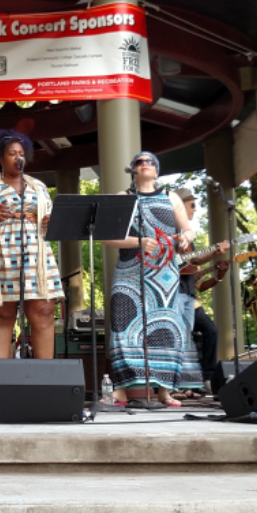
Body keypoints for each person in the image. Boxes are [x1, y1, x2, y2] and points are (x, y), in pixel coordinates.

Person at [103, 152, 198, 406]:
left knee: (164, 329)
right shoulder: (122, 198)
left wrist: (186, 237)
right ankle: (121, 389)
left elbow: (187, 229)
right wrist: (139, 242)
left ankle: (164, 390)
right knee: (123, 325)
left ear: (157, 171)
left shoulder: (172, 198)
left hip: (164, 274)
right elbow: (106, 237)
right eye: (139, 162)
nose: (145, 164)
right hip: (129, 271)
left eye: (150, 162)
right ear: (133, 170)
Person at [0, 130, 63, 359]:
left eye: (21, 153)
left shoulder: (38, 186)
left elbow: (51, 223)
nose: (18, 157)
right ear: (0, 158)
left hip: (36, 255)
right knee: (2, 314)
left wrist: (50, 223)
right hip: (1, 254)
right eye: (12, 153)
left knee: (44, 311)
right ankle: (2, 379)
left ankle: (44, 377)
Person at [174, 188, 229, 398]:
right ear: (179, 206)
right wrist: (214, 251)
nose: (195, 210)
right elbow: (188, 261)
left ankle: (190, 382)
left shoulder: (188, 237)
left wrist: (215, 254)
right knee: (179, 337)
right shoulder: (170, 232)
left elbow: (193, 262)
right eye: (192, 205)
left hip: (187, 292)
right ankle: (176, 383)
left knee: (186, 338)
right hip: (174, 292)